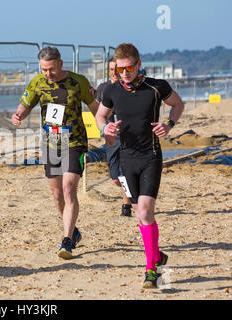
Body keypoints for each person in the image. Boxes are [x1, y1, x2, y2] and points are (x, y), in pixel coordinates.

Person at [95, 43, 184, 288]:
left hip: (151, 156)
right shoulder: (112, 91)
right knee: (139, 214)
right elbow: (100, 115)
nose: (125, 73)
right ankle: (157, 256)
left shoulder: (157, 87)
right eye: (120, 68)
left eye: (130, 68)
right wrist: (105, 127)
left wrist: (169, 124)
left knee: (145, 212)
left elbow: (178, 104)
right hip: (127, 158)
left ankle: (151, 271)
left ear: (139, 64)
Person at [12, 47, 98, 259]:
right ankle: (74, 232)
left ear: (60, 64)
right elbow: (25, 105)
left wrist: (105, 128)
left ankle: (66, 241)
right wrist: (18, 116)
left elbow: (95, 106)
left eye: (51, 70)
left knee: (69, 189)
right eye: (44, 70)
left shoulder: (79, 82)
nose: (48, 75)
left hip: (75, 141)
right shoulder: (37, 83)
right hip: (51, 143)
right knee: (57, 194)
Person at [95, 57, 132, 217]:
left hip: (127, 135)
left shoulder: (128, 86)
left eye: (117, 68)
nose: (114, 72)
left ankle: (126, 205)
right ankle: (130, 189)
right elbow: (96, 110)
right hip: (110, 137)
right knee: (115, 177)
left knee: (124, 173)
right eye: (111, 69)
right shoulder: (103, 88)